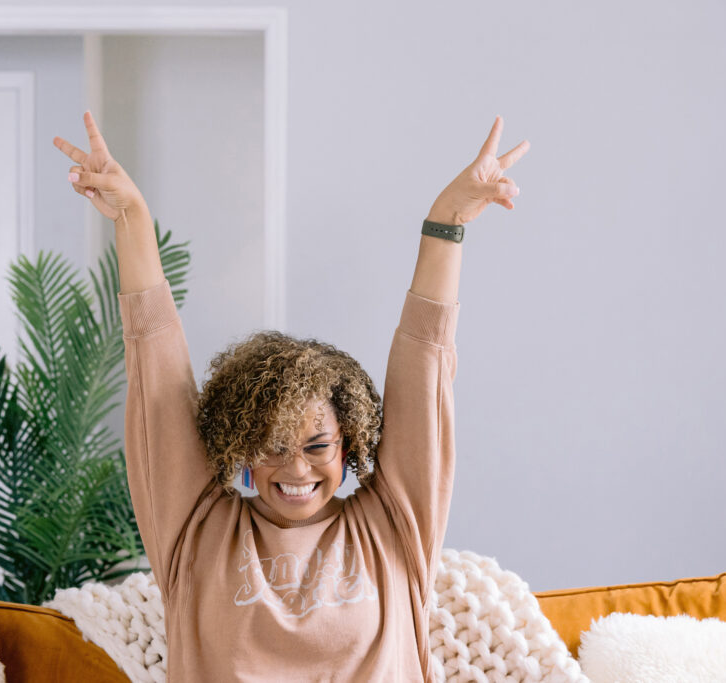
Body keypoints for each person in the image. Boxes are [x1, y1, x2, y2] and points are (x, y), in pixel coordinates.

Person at [53, 111, 529, 682]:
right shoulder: (198, 532)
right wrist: (131, 218)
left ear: (349, 445)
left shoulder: (391, 529)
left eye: (317, 445)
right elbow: (156, 377)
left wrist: (446, 222)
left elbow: (424, 370)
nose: (295, 468)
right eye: (272, 446)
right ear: (240, 448)